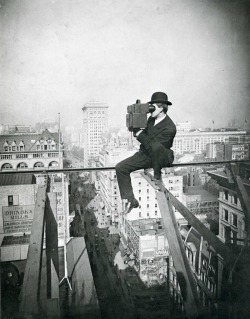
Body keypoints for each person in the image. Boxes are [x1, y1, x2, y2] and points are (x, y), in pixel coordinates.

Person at [115, 91, 176, 211]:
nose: (150, 110)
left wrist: (139, 133)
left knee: (155, 148)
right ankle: (131, 200)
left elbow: (153, 146)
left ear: (162, 108)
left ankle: (157, 175)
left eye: (153, 107)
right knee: (120, 168)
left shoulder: (170, 127)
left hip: (159, 156)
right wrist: (134, 127)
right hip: (146, 153)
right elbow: (146, 141)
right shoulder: (151, 120)